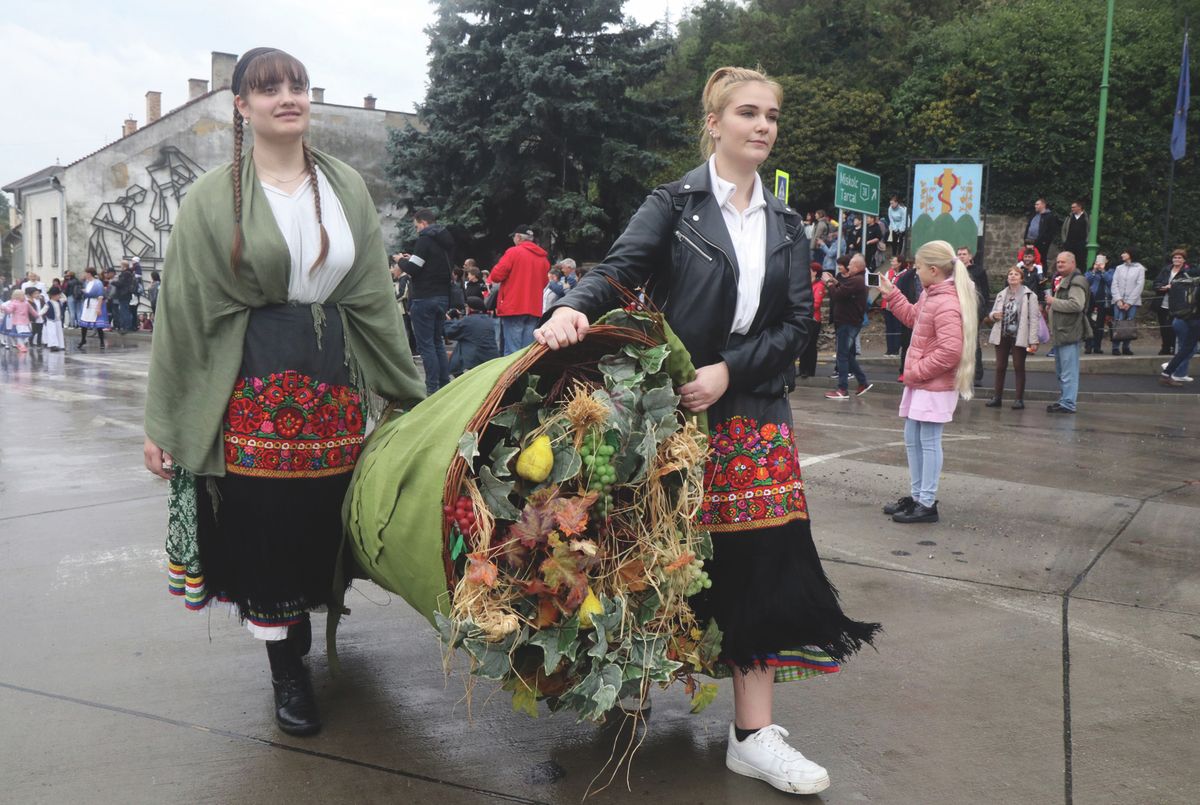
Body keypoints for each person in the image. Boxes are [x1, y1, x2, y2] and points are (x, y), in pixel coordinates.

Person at [535, 66, 878, 796]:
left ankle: (753, 735)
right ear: (714, 122)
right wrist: (572, 307)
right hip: (671, 417)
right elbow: (620, 272)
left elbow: (799, 325)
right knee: (651, 555)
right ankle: (626, 691)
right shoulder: (676, 204)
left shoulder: (786, 224)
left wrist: (729, 370)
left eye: (773, 116)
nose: (763, 126)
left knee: (760, 562)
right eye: (748, 113)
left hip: (752, 413)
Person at [142, 48, 424, 738]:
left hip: (334, 379)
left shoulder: (345, 187)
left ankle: (305, 626)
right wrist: (166, 422)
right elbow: (182, 311)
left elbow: (372, 298)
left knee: (326, 518)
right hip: (250, 383)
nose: (287, 97)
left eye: (296, 85)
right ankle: (287, 667)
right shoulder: (213, 198)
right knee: (264, 524)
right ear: (241, 106)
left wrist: (409, 391)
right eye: (268, 89)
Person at [877, 240, 977, 523]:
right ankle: (918, 496)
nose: (915, 272)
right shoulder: (932, 295)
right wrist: (893, 294)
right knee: (913, 438)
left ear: (933, 270)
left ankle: (927, 502)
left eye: (918, 267)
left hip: (932, 383)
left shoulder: (945, 302)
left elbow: (950, 351)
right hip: (923, 381)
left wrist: (917, 371)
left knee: (928, 441)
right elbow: (912, 318)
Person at [395, 208, 455, 394]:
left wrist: (400, 261)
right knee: (437, 342)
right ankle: (444, 385)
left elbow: (413, 269)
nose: (416, 230)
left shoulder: (425, 239)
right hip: (442, 297)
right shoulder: (445, 242)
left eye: (416, 226)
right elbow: (426, 263)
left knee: (426, 345)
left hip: (425, 298)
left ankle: (431, 390)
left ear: (422, 223)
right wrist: (410, 259)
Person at [983, 267, 1040, 409]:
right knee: (1000, 366)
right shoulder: (1002, 294)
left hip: (1019, 335)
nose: (1012, 276)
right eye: (1010, 274)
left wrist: (1033, 340)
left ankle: (1019, 399)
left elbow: (1034, 319)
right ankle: (997, 397)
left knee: (1018, 366)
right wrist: (993, 316)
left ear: (1021, 278)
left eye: (1016, 274)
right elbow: (993, 313)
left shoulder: (1029, 295)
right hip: (1002, 334)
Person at [490, 224, 550, 355]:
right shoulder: (543, 258)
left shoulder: (513, 252)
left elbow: (496, 276)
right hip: (534, 308)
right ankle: (525, 375)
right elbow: (544, 282)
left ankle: (513, 376)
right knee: (526, 352)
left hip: (514, 307)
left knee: (512, 352)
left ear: (518, 237)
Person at [1044, 252, 1090, 413]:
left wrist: (1053, 302)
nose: (1059, 265)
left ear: (1073, 263)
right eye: (1058, 262)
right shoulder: (1066, 279)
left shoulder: (1076, 281)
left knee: (1068, 371)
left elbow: (1077, 305)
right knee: (1062, 371)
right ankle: (1064, 400)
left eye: (1063, 262)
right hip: (1062, 332)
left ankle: (1068, 403)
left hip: (1069, 332)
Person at [823, 254, 871, 399]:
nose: (848, 267)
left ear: (856, 267)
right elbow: (845, 291)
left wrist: (829, 283)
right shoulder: (858, 280)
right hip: (850, 322)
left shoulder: (856, 280)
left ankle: (842, 389)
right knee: (849, 356)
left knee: (842, 355)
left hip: (847, 323)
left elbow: (838, 295)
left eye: (850, 265)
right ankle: (863, 382)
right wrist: (836, 282)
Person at [1160, 262, 1200, 385]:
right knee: (1188, 348)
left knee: (1187, 348)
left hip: (1186, 316)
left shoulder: (1192, 276)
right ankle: (1168, 371)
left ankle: (1168, 371)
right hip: (1195, 319)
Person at [957, 246, 988, 388]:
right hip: (957, 311)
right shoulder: (955, 271)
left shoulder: (979, 271)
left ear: (970, 256)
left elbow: (984, 294)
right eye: (959, 254)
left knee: (973, 344)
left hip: (973, 311)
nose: (961, 256)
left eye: (964, 254)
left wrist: (981, 313)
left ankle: (976, 374)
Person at [445, 295, 499, 374]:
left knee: (462, 343)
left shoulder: (468, 320)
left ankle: (456, 370)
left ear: (470, 308)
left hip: (475, 359)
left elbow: (449, 332)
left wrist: (449, 320)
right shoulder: (489, 320)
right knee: (466, 339)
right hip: (492, 357)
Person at [1109, 249, 1144, 356]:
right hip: (1118, 301)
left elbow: (1139, 285)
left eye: (1124, 252)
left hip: (1132, 302)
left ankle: (1126, 347)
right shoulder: (1119, 268)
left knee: (1129, 323)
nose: (1122, 254)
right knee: (1117, 322)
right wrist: (1118, 299)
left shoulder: (1140, 268)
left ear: (1130, 254)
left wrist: (1129, 302)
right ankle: (1115, 347)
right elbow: (1114, 284)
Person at [1154, 249, 1189, 355]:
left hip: (1177, 304)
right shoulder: (1166, 269)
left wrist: (1172, 286)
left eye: (1179, 258)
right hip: (1163, 302)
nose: (1177, 259)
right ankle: (1165, 347)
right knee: (1163, 326)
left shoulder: (1187, 271)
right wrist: (1161, 287)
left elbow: (1188, 285)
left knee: (1174, 326)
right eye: (1175, 257)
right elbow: (1156, 282)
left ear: (1184, 260)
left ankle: (1174, 346)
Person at [797, 262, 824, 378]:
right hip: (805, 318)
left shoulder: (820, 285)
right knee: (803, 345)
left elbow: (816, 303)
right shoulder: (806, 284)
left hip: (813, 319)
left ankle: (810, 370)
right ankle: (802, 369)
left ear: (815, 272)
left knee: (811, 345)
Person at [1084, 254, 1111, 354]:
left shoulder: (1109, 271)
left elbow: (1110, 281)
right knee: (1089, 323)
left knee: (1100, 324)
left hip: (1103, 300)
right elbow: (1086, 281)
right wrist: (1094, 271)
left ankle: (1097, 346)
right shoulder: (1090, 271)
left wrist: (1103, 271)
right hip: (1090, 299)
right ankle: (1088, 345)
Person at [77, 267, 109, 349]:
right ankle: (83, 339)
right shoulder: (87, 283)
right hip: (87, 303)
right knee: (84, 321)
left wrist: (98, 308)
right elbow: (88, 292)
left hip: (95, 303)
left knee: (97, 323)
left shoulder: (98, 283)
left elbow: (100, 296)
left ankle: (102, 341)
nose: (84, 275)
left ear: (89, 274)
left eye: (86, 273)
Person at [1025, 198, 1058, 267]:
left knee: (1041, 259)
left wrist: (1044, 241)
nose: (1035, 206)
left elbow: (1051, 231)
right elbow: (1029, 227)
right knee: (1028, 259)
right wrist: (1025, 238)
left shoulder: (1049, 216)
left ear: (1043, 205)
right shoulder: (1034, 215)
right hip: (1029, 242)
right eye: (1035, 204)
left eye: (1037, 204)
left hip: (1042, 244)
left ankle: (1043, 276)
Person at [881, 256, 904, 355]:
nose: (891, 262)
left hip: (898, 305)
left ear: (899, 263)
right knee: (889, 328)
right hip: (887, 304)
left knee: (897, 327)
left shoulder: (905, 274)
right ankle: (889, 349)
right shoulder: (889, 272)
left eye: (893, 261)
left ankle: (895, 350)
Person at [0, 288, 35, 353]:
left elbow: (31, 310)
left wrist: (36, 315)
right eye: (22, 295)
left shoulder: (26, 303)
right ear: (17, 296)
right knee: (18, 334)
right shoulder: (13, 303)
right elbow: (9, 310)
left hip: (25, 321)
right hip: (16, 322)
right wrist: (4, 308)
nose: (23, 296)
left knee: (24, 334)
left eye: (23, 295)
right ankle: (21, 345)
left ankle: (20, 344)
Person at [1060, 200, 1089, 276]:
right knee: (1069, 260)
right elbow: (1064, 229)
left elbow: (1089, 230)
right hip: (1069, 243)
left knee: (1080, 261)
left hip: (1081, 243)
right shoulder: (1069, 217)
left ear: (1079, 207)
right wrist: (1065, 241)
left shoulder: (1087, 217)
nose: (1072, 209)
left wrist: (1086, 241)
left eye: (1074, 207)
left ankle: (1080, 275)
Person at [43, 287, 66, 351]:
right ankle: (53, 345)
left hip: (58, 320)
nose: (59, 296)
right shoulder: (48, 303)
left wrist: (61, 293)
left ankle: (61, 345)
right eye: (58, 295)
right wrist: (37, 315)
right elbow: (43, 310)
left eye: (59, 295)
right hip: (51, 320)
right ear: (53, 296)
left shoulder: (60, 301)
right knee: (52, 333)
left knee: (59, 333)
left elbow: (65, 298)